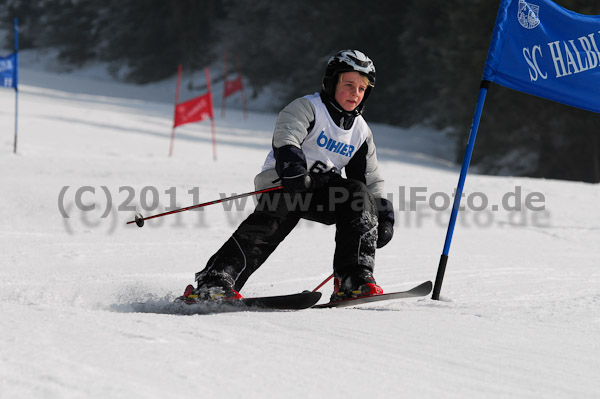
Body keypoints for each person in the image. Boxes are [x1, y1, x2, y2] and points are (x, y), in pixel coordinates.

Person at [183, 49, 394, 303]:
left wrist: (383, 216)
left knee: (359, 196)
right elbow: (287, 139)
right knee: (273, 220)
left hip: (322, 192)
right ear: (331, 82)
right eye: (348, 85)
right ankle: (215, 280)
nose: (355, 93)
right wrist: (296, 172)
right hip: (284, 183)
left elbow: (370, 180)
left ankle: (354, 280)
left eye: (361, 89)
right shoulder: (308, 107)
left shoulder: (361, 132)